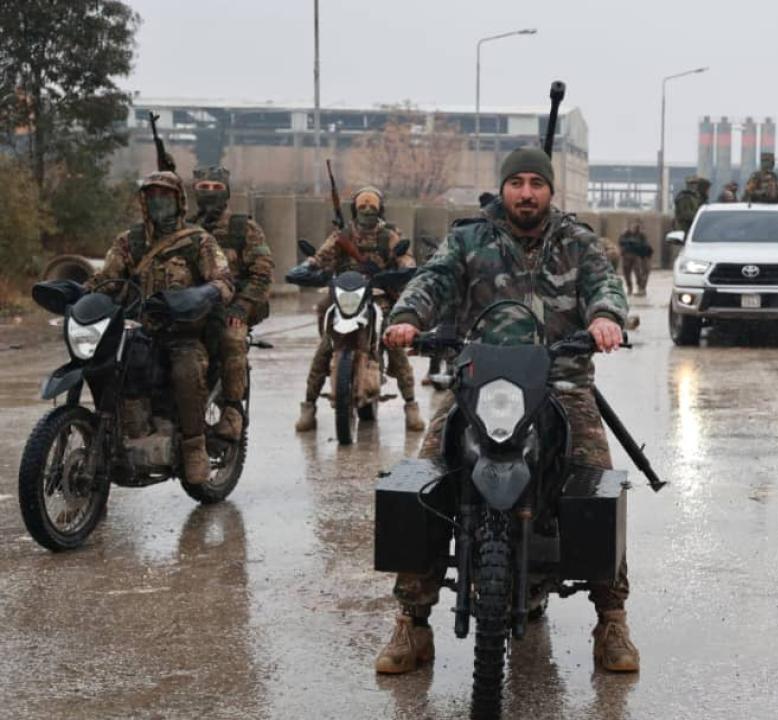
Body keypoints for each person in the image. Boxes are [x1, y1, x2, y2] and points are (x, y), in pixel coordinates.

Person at [377, 147, 637, 675]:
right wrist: (407, 316)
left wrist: (607, 318)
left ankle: (612, 619)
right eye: (515, 182)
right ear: (503, 188)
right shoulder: (469, 239)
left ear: (549, 190)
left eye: (535, 184)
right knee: (426, 480)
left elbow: (605, 287)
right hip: (477, 382)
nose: (525, 193)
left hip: (562, 383)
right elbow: (433, 279)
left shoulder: (577, 242)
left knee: (595, 485)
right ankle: (412, 621)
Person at [87, 171, 234, 484]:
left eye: (165, 195)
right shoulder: (130, 242)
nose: (158, 202)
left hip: (183, 334)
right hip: (136, 330)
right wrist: (80, 295)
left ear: (179, 199)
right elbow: (106, 280)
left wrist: (202, 293)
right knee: (105, 364)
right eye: (151, 195)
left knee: (186, 369)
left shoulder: (199, 241)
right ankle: (121, 432)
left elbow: (223, 280)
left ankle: (194, 445)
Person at [294, 186, 424, 433]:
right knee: (324, 345)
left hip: (377, 294)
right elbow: (320, 257)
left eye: (372, 204)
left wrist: (404, 268)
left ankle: (411, 405)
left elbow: (406, 258)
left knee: (393, 337)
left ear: (380, 208)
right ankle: (309, 406)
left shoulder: (388, 235)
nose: (367, 209)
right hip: (345, 295)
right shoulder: (342, 235)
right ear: (354, 209)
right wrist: (307, 267)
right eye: (362, 205)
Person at [190, 166, 273, 441]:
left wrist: (242, 307)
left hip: (233, 304)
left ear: (226, 192)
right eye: (204, 187)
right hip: (192, 305)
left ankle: (233, 411)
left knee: (231, 339)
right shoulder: (186, 228)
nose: (210, 193)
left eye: (216, 188)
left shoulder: (243, 227)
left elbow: (262, 272)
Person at [619, 220, 652, 296]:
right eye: (633, 226)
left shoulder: (641, 235)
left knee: (638, 273)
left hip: (637, 256)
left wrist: (633, 243)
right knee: (626, 273)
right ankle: (629, 288)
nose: (634, 228)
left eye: (636, 226)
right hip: (627, 255)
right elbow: (621, 241)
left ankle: (641, 288)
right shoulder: (625, 234)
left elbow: (644, 245)